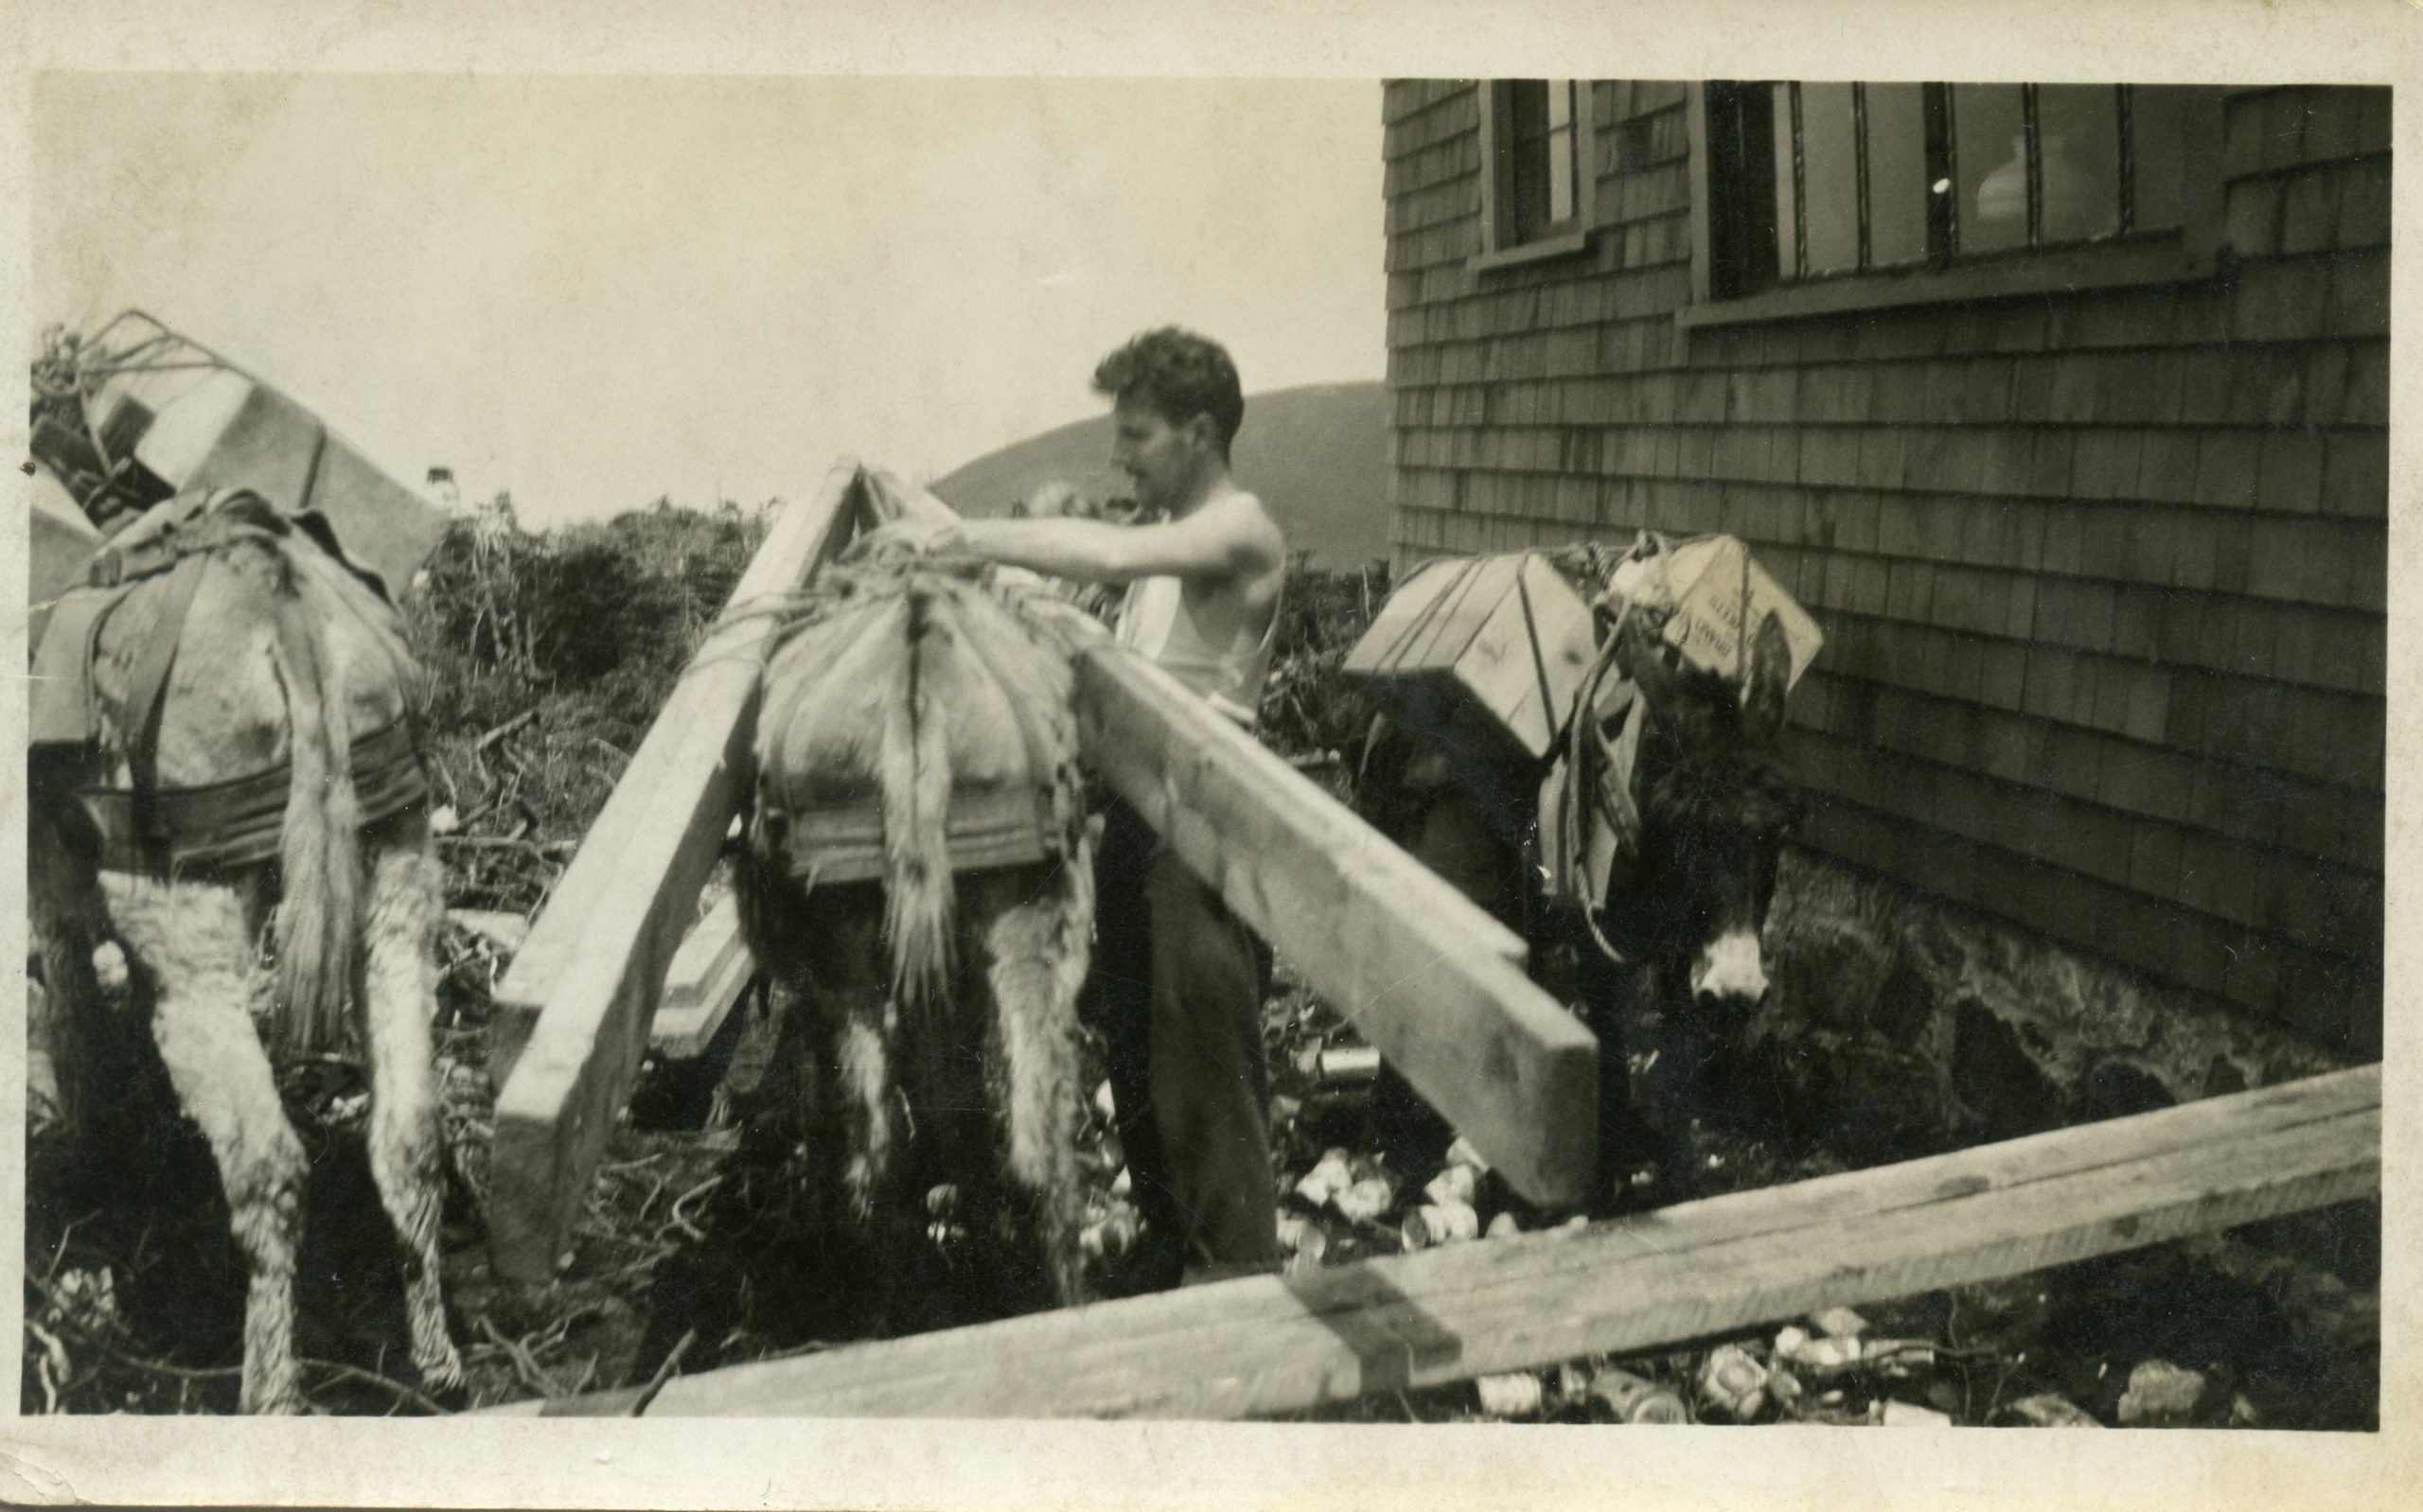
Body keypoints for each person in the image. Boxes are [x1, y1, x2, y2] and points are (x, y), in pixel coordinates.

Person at [936, 327, 1285, 1292]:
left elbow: (1111, 552)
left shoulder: (1239, 530)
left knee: (1200, 1050)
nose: (1119, 456)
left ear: (1201, 433)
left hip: (1205, 822)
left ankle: (1238, 1279)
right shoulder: (1170, 552)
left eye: (1137, 435)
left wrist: (961, 535)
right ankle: (1173, 1247)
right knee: (1137, 1051)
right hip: (1138, 821)